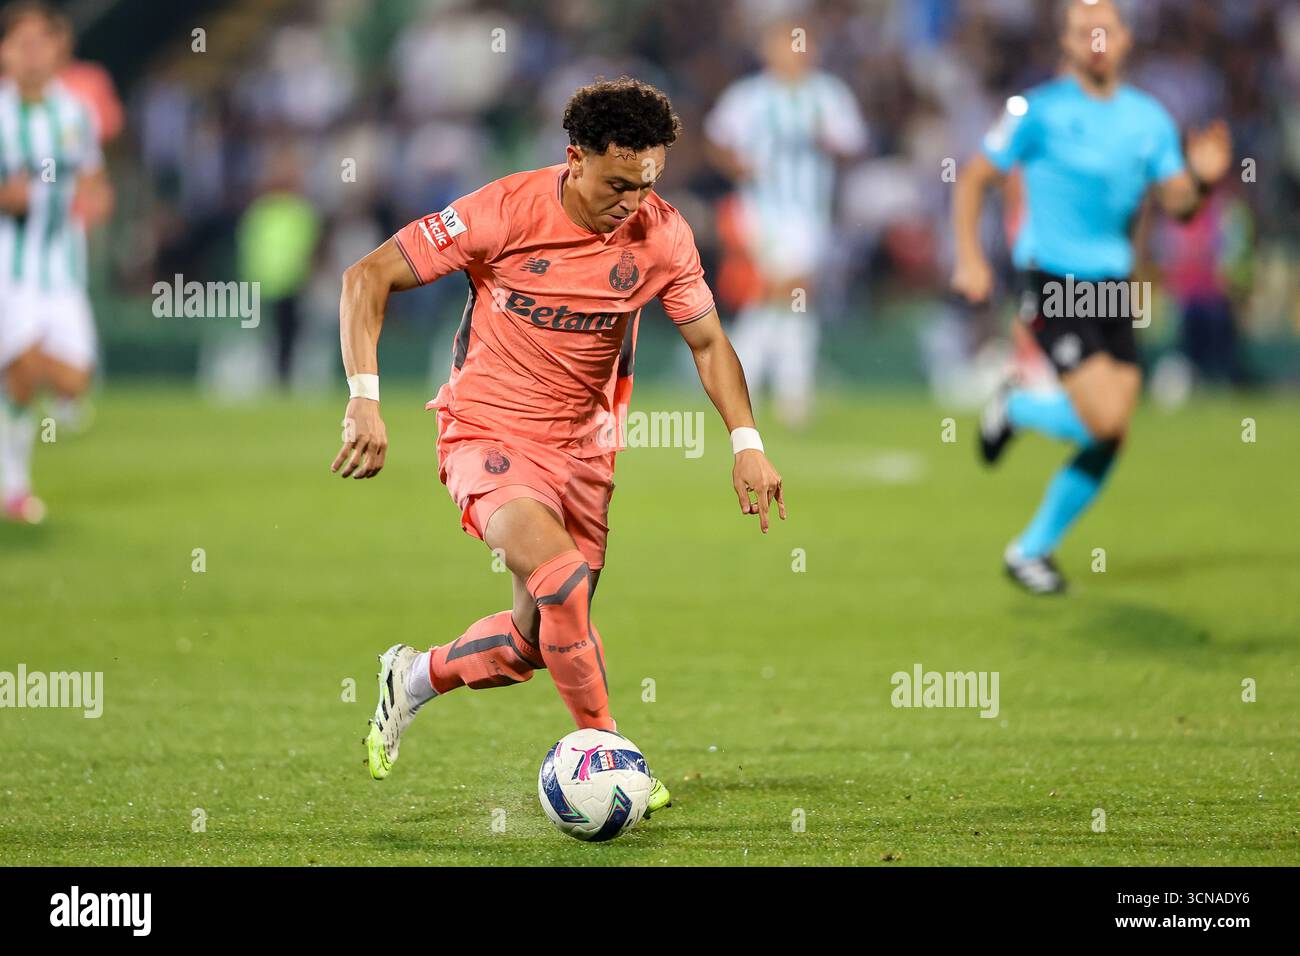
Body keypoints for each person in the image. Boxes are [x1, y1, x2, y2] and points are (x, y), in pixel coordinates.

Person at [332, 78, 785, 815]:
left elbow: (708, 342)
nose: (632, 200)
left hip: (585, 453)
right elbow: (367, 275)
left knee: (532, 645)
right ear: (573, 158)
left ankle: (412, 677)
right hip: (488, 431)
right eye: (618, 183)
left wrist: (747, 442)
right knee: (564, 581)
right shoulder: (502, 210)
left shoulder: (663, 234)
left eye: (646, 184)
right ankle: (609, 755)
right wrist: (363, 396)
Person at [951, 0, 1231, 593]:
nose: (1097, 40)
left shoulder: (1149, 119)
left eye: (1106, 29)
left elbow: (1181, 206)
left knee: (1114, 431)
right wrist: (971, 257)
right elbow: (975, 178)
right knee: (1102, 419)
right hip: (1053, 279)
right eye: (1085, 31)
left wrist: (1203, 179)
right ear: (1068, 44)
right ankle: (1018, 407)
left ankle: (1029, 552)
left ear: (1126, 39)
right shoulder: (1035, 110)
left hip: (1112, 287)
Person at [704, 17, 866, 428]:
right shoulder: (749, 97)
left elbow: (854, 146)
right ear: (767, 51)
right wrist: (737, 165)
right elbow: (715, 141)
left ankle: (752, 382)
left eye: (799, 45)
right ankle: (779, 390)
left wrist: (826, 141)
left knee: (785, 299)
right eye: (784, 45)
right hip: (761, 211)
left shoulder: (828, 95)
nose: (793, 53)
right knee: (788, 290)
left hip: (810, 212)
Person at [0, 1, 112, 523]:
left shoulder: (74, 112)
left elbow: (92, 176)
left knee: (73, 384)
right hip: (10, 266)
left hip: (62, 269)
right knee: (21, 369)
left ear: (55, 48)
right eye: (21, 43)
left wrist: (97, 196)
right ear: (5, 52)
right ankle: (15, 486)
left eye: (40, 42)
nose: (32, 53)